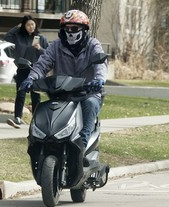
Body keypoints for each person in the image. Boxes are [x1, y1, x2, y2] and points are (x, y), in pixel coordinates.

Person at [20, 10, 108, 148]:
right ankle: (39, 142)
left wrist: (99, 80)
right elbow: (43, 64)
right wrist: (30, 79)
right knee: (45, 109)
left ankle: (82, 147)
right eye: (66, 28)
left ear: (84, 29)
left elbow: (100, 64)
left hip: (88, 93)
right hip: (62, 94)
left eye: (74, 28)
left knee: (90, 104)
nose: (70, 32)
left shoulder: (93, 44)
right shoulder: (56, 45)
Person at [4, 15, 49, 129]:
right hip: (23, 68)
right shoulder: (18, 37)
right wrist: (16, 27)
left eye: (32, 24)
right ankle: (17, 117)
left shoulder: (41, 38)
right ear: (24, 26)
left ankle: (36, 119)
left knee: (36, 95)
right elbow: (6, 38)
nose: (31, 27)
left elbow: (49, 55)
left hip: (36, 70)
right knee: (21, 93)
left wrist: (40, 48)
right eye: (28, 25)